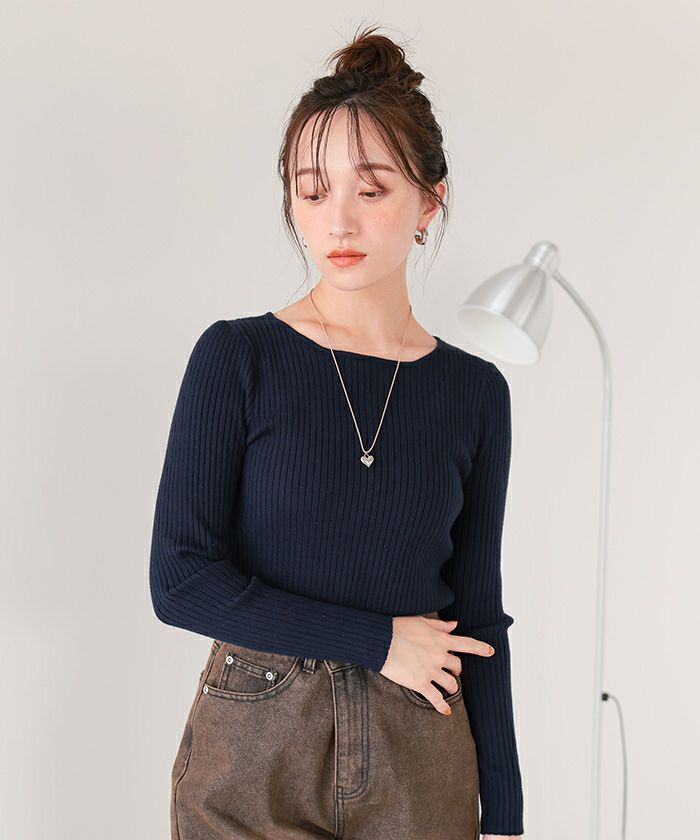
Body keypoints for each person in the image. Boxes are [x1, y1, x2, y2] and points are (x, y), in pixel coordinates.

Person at [149, 23, 524, 840]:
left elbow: (478, 616)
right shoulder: (238, 357)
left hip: (419, 741)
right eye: (312, 191)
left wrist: (505, 814)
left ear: (430, 200)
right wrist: (375, 640)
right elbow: (180, 580)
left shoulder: (474, 393)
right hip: (256, 741)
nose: (338, 222)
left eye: (372, 190)